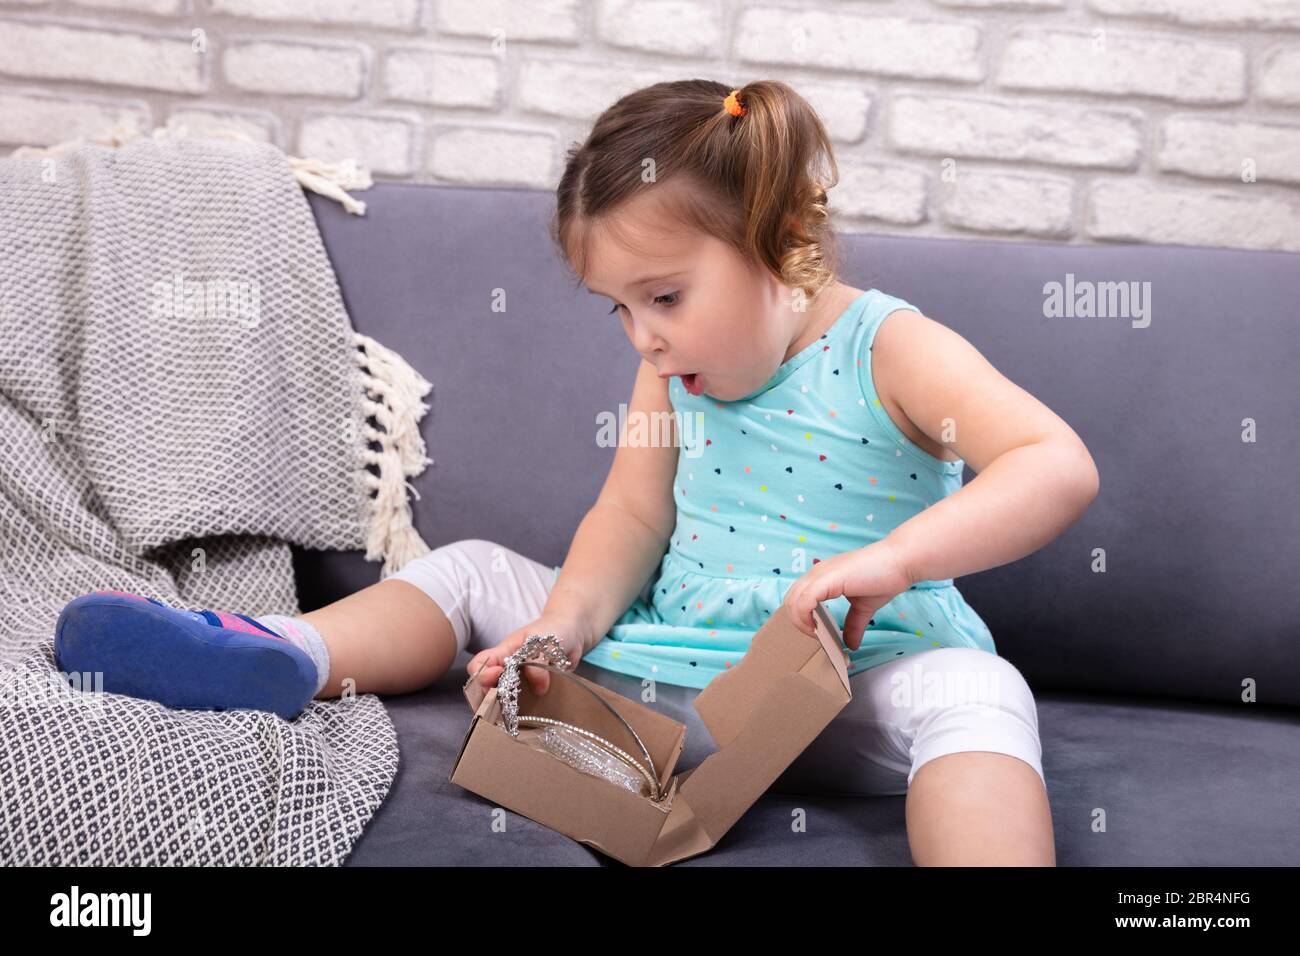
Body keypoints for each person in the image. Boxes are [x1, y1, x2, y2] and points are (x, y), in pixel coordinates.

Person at [56, 80, 1099, 865]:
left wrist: (893, 558)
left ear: (783, 245)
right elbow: (630, 517)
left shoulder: (888, 348)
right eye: (620, 308)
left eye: (665, 295)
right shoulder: (675, 371)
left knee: (978, 691)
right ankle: (281, 654)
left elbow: (1055, 466)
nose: (642, 335)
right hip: (665, 689)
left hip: (848, 690)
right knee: (469, 570)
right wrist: (561, 629)